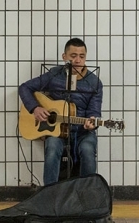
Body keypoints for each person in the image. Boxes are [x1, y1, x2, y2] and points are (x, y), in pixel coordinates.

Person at [19, 38, 101, 185]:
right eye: (73, 56)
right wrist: (35, 108)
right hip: (56, 131)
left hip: (82, 132)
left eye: (81, 56)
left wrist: (92, 122)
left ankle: (86, 193)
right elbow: (24, 88)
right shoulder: (54, 75)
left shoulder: (94, 82)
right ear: (64, 57)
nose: (77, 60)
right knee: (52, 148)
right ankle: (50, 193)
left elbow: (94, 110)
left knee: (88, 150)